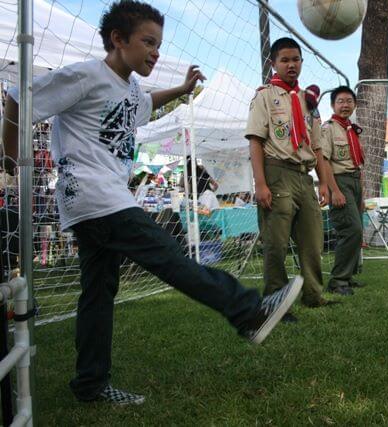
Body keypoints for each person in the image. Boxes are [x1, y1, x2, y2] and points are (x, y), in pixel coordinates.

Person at [1, 0, 302, 405]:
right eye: (148, 42)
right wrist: (9, 157)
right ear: (118, 39)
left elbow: (144, 105)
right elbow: (18, 97)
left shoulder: (128, 88)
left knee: (97, 292)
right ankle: (249, 312)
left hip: (94, 205)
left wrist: (181, 90)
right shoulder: (86, 75)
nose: (155, 53)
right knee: (171, 258)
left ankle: (90, 384)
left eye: (159, 45)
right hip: (96, 198)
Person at [245, 37, 335, 322]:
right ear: (273, 63)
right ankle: (275, 302)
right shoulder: (265, 96)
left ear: (301, 62)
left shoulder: (309, 102)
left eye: (295, 59)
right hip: (276, 172)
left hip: (303, 175)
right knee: (276, 243)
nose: (291, 64)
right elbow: (256, 142)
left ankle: (313, 294)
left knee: (312, 240)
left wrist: (323, 182)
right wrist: (260, 183)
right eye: (284, 59)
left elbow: (318, 148)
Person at [320, 85, 365, 296]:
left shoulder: (352, 129)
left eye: (349, 101)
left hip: (355, 181)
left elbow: (358, 163)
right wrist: (334, 190)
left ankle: (348, 277)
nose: (345, 105)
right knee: (351, 229)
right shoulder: (328, 128)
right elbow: (324, 161)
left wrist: (362, 194)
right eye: (340, 101)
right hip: (339, 181)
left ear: (354, 105)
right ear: (332, 105)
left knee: (357, 230)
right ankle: (338, 280)